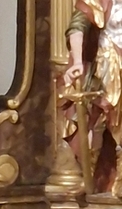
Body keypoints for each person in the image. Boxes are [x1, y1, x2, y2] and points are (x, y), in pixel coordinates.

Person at [63, 0, 122, 194]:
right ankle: (89, 177)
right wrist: (77, 61)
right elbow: (77, 25)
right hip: (106, 66)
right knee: (93, 119)